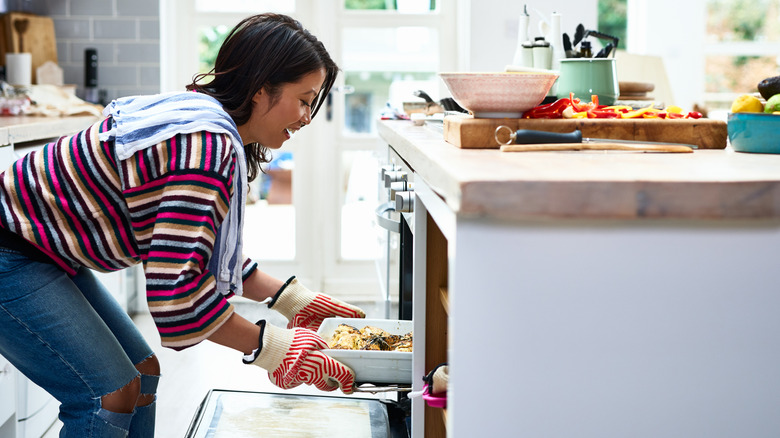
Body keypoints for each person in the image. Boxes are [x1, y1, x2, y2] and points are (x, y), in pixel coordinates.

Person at [0, 13, 365, 438]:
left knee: (142, 372)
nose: (307, 117)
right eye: (304, 99)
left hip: (40, 250)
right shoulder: (206, 147)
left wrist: (291, 300)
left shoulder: (204, 120)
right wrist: (275, 349)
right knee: (109, 394)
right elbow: (177, 299)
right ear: (262, 87)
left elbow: (193, 245)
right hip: (12, 251)